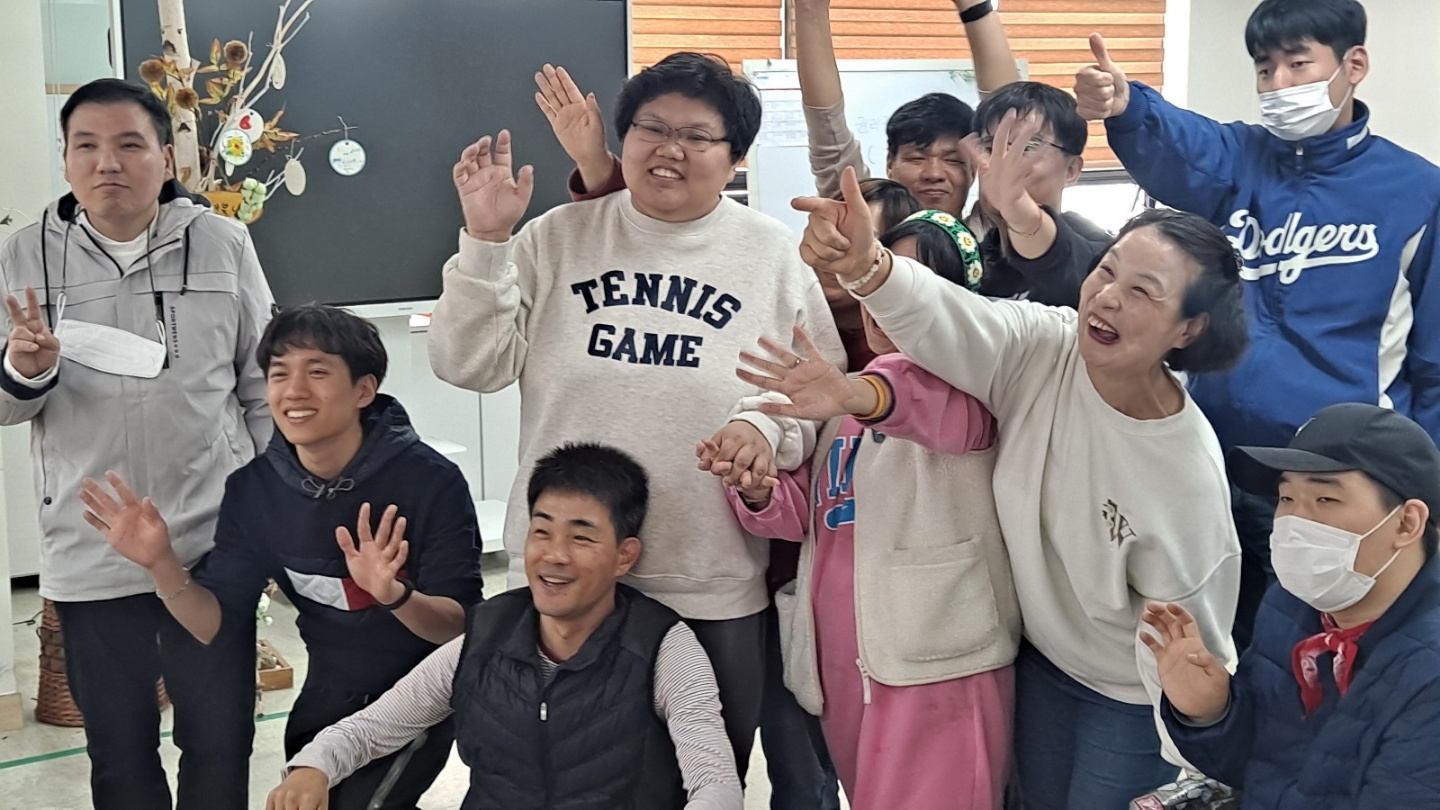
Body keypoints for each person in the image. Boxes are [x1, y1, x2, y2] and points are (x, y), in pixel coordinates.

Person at [428, 52, 845, 773]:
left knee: (701, 780)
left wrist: (762, 428)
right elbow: (470, 365)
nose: (669, 149)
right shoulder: (555, 238)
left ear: (735, 157)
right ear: (623, 139)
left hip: (707, 575)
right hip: (564, 573)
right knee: (558, 776)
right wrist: (487, 244)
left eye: (697, 136)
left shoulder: (773, 256)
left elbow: (819, 397)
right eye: (652, 128)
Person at [778, 168, 1248, 808]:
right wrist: (868, 267)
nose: (1108, 298)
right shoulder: (1047, 345)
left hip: (1129, 691)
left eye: (1143, 291)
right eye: (1107, 270)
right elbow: (957, 318)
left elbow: (1195, 648)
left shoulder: (1184, 474)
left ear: (1188, 328)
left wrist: (1192, 723)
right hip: (1041, 660)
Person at [1075, 0, 1440, 649]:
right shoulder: (1240, 159)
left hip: (1340, 485)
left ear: (1354, 64)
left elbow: (1434, 365)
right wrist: (1127, 104)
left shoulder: (1417, 192)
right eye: (1265, 69)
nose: (1278, 85)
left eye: (1298, 65)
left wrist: (1427, 491)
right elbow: (1182, 142)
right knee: (1216, 646)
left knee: (1323, 655)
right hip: (1215, 464)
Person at [81, 305, 483, 809]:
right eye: (279, 374)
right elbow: (214, 624)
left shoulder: (430, 482)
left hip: (417, 695)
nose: (294, 391)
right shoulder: (256, 491)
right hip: (327, 692)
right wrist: (160, 563)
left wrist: (394, 595)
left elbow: (460, 631)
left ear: (364, 389)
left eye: (317, 372)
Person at [0, 77, 274, 810]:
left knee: (220, 741)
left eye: (129, 144)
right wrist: (25, 370)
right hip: (90, 548)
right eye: (86, 146)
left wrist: (266, 514)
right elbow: (4, 407)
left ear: (166, 157)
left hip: (211, 542)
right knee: (119, 753)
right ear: (65, 159)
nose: (107, 163)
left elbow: (262, 388)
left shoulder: (223, 244)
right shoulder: (24, 257)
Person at [707, 209, 1021, 809]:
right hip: (844, 667)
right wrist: (757, 487)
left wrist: (853, 392)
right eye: (875, 281)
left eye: (906, 286)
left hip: (939, 665)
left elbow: (921, 404)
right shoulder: (844, 408)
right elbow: (810, 519)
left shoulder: (975, 394)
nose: (883, 303)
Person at [267, 443, 744, 810]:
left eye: (581, 538)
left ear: (625, 556)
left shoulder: (664, 648)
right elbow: (369, 730)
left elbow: (716, 783)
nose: (555, 555)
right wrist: (312, 767)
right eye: (542, 531)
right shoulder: (486, 635)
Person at [1145, 403, 1440, 806]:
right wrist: (1210, 712)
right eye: (1286, 497)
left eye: (1325, 498)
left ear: (1406, 523)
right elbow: (1254, 764)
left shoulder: (1428, 672)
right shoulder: (1291, 605)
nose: (1294, 522)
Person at [552, 0, 1016, 223]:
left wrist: (975, 7)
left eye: (953, 160)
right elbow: (827, 124)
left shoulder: (994, 229)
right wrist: (810, 11)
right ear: (890, 163)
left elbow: (1011, 121)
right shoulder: (862, 210)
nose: (934, 173)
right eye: (916, 157)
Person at [965, 86, 1111, 305]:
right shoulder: (973, 256)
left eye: (1027, 146)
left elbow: (1059, 260)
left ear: (1071, 170)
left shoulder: (1102, 256)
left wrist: (1017, 207)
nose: (1003, 162)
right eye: (990, 148)